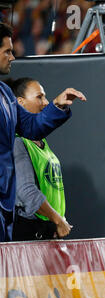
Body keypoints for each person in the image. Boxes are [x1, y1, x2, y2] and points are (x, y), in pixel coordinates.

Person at [0, 22, 86, 242]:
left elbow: (31, 126)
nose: (12, 57)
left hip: (5, 209)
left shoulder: (6, 96)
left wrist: (57, 105)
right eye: (7, 51)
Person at [6, 78, 72, 240]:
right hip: (29, 231)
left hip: (48, 228)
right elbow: (26, 192)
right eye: (39, 97)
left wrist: (56, 222)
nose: (45, 102)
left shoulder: (40, 141)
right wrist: (57, 220)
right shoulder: (17, 142)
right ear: (20, 102)